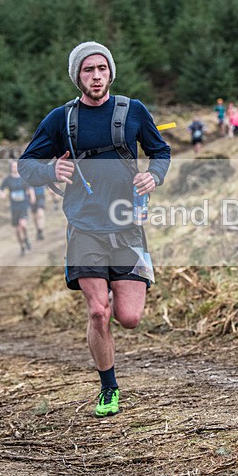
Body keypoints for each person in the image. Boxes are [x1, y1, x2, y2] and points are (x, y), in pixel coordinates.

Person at [18, 41, 171, 418]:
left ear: (110, 72)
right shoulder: (60, 120)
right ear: (77, 76)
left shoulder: (132, 111)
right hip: (84, 228)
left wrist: (153, 176)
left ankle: (115, 332)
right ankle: (109, 388)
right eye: (88, 70)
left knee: (129, 318)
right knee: (98, 312)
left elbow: (161, 151)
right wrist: (51, 170)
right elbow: (26, 166)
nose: (96, 76)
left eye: (102, 68)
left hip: (128, 228)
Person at [0, 161, 33, 256]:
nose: (15, 168)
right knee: (17, 230)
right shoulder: (8, 179)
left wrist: (32, 196)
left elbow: (30, 188)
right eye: (13, 166)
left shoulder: (23, 178)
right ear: (10, 168)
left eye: (16, 166)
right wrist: (2, 194)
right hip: (14, 207)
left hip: (23, 205)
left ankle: (26, 238)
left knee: (23, 225)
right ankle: (22, 247)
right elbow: (0, 189)